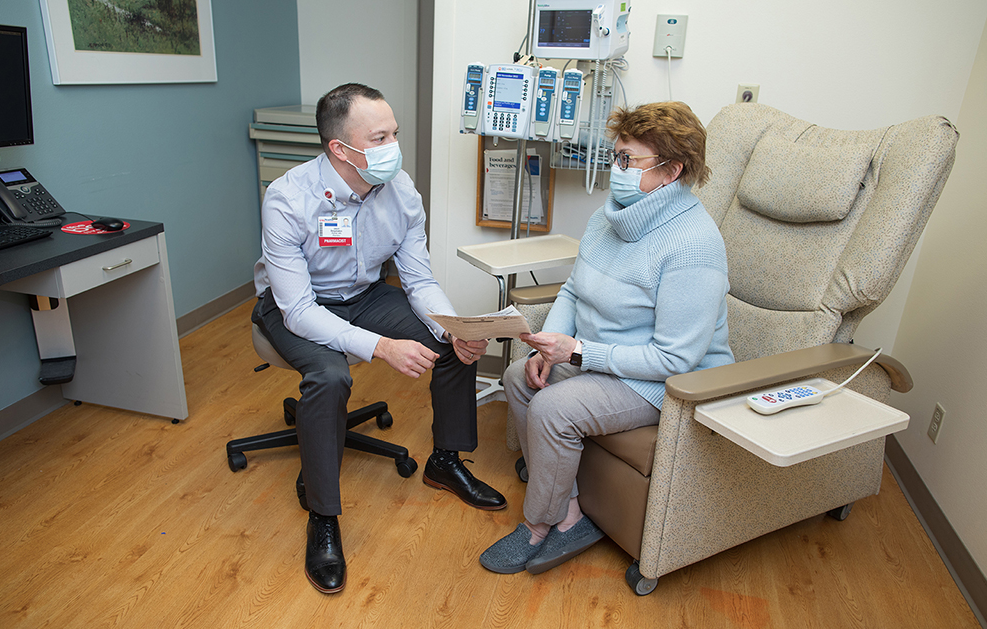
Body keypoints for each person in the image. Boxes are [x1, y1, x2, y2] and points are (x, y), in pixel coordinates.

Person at [253, 83, 506, 594]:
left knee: (450, 345)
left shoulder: (402, 191)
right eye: (380, 136)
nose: (395, 146)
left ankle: (446, 461)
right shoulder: (288, 198)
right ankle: (323, 517)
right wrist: (380, 347)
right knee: (329, 376)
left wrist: (453, 326)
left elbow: (418, 280)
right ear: (340, 149)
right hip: (295, 307)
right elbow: (299, 309)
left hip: (365, 296)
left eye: (395, 133)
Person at [479, 101, 735, 575]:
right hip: (604, 360)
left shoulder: (694, 245)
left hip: (664, 382)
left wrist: (577, 351)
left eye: (627, 160)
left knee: (555, 407)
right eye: (615, 155)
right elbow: (576, 289)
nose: (615, 169)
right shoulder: (610, 216)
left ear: (671, 170)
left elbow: (677, 359)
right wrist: (551, 340)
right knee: (519, 377)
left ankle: (537, 524)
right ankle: (570, 509)